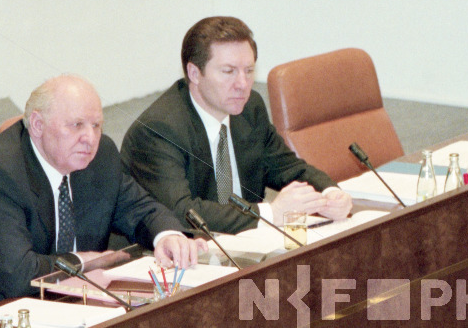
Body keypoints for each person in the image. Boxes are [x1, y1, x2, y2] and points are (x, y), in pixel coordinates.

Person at [0, 75, 205, 317]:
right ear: (37, 125)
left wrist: (167, 236)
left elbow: (141, 209)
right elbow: (18, 277)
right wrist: (84, 261)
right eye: (76, 125)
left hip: (66, 300)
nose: (90, 138)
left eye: (96, 125)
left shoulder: (100, 156)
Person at [120, 16, 353, 234]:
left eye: (249, 71)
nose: (242, 84)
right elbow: (182, 213)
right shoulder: (158, 130)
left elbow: (286, 167)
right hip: (187, 255)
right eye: (229, 71)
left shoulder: (250, 108)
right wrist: (270, 213)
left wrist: (331, 193)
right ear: (194, 73)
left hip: (250, 244)